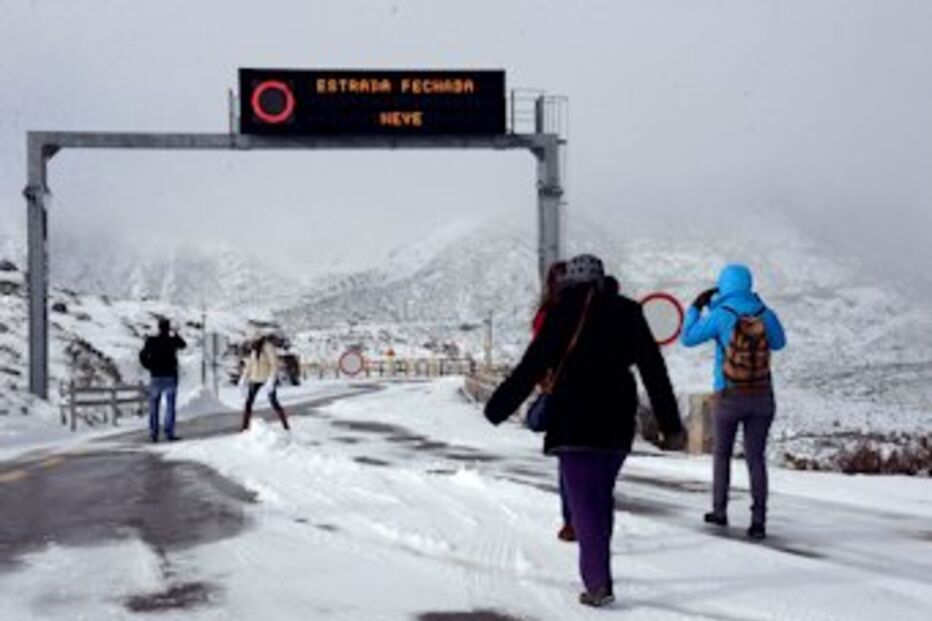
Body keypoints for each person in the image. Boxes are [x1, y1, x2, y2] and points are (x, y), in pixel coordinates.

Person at [485, 254, 684, 608]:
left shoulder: (563, 311)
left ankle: (597, 585)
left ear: (570, 282)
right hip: (618, 422)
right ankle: (599, 573)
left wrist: (497, 407)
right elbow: (654, 371)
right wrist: (670, 425)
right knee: (599, 497)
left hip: (575, 422)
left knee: (586, 505)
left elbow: (532, 365)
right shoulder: (628, 310)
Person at [681, 263, 786, 540]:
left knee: (722, 455)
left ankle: (719, 510)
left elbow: (688, 339)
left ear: (723, 285)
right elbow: (779, 343)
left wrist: (695, 308)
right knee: (755, 459)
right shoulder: (765, 314)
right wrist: (759, 306)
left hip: (728, 395)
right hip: (762, 396)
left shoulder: (720, 314)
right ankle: (759, 520)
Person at [530, 261, 576, 543]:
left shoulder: (546, 315)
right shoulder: (595, 308)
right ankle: (592, 517)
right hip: (597, 392)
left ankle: (572, 521)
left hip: (561, 392)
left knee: (568, 459)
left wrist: (544, 382)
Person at [139, 318, 186, 443]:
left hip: (155, 376)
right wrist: (176, 334)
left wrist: (149, 366)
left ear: (159, 328)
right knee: (170, 406)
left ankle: (154, 432)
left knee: (154, 406)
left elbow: (142, 355)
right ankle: (169, 432)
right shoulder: (171, 341)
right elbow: (183, 345)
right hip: (170, 375)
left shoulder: (152, 341)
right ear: (168, 328)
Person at [240, 336, 290, 431]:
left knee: (273, 402)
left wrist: (271, 379)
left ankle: (285, 425)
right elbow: (250, 364)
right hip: (255, 379)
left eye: (253, 339)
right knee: (248, 402)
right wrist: (244, 377)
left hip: (267, 378)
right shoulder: (254, 349)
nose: (252, 341)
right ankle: (245, 427)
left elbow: (274, 364)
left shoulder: (268, 347)